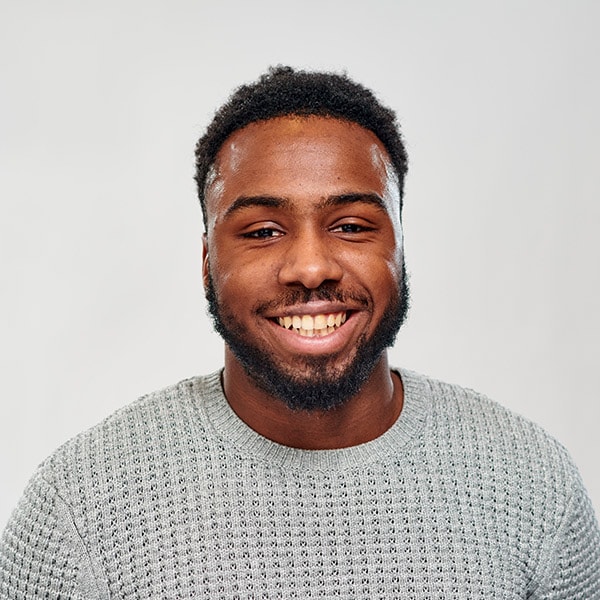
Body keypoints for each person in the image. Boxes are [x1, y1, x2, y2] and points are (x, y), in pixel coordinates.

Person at [1, 66, 599, 599]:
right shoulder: (82, 507)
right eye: (263, 231)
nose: (311, 268)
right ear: (207, 261)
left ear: (399, 247)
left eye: (351, 225)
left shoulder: (532, 485)